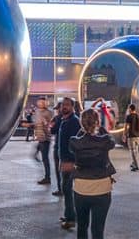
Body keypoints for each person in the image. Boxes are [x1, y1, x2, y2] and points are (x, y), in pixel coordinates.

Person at [71, 108, 117, 239]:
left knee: (82, 226)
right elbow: (110, 140)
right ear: (97, 122)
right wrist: (99, 129)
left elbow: (78, 139)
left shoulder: (74, 142)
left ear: (81, 123)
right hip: (102, 189)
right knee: (98, 229)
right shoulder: (105, 141)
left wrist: (84, 130)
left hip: (81, 189)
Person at [56, 97, 82, 230]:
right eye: (63, 105)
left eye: (67, 105)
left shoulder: (73, 122)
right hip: (65, 160)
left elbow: (74, 144)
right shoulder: (65, 120)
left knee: (67, 188)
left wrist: (70, 161)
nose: (64, 107)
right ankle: (69, 214)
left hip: (69, 162)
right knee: (66, 189)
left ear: (72, 106)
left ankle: (71, 219)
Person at [34, 97, 54, 185]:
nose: (40, 104)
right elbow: (37, 123)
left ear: (45, 103)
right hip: (40, 137)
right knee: (38, 151)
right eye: (39, 102)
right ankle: (36, 154)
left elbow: (51, 124)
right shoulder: (37, 111)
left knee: (45, 159)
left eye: (42, 102)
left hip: (45, 138)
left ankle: (47, 177)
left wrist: (46, 122)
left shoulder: (49, 112)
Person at [124, 103, 139, 172]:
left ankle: (136, 165)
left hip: (131, 136)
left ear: (130, 109)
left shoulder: (129, 116)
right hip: (138, 136)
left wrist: (124, 135)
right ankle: (133, 163)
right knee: (136, 151)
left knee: (132, 151)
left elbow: (126, 127)